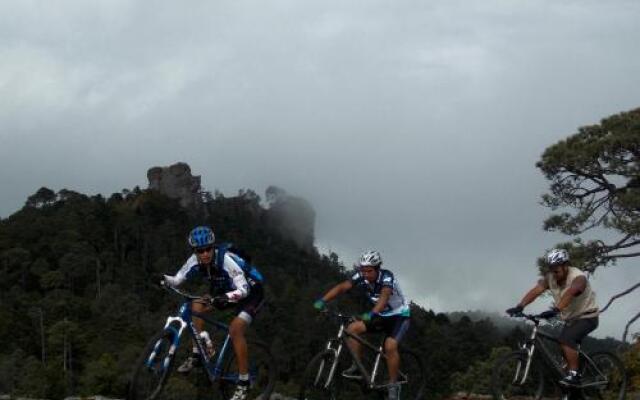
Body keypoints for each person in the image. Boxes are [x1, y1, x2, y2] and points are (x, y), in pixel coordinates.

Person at [163, 226, 265, 400]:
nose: (205, 254)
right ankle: (198, 352)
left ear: (213, 246)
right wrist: (163, 278)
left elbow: (244, 289)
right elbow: (178, 279)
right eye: (200, 251)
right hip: (225, 292)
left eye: (208, 249)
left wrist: (224, 297)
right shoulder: (194, 260)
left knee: (235, 330)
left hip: (251, 293)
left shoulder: (225, 260)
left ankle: (243, 381)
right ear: (195, 251)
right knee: (196, 305)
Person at [313, 250, 410, 400]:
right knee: (352, 329)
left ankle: (393, 387)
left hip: (399, 317)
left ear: (377, 269)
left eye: (369, 270)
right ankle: (357, 367)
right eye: (363, 270)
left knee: (390, 346)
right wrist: (323, 300)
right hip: (381, 316)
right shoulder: (361, 276)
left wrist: (371, 314)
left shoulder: (386, 277)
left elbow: (384, 298)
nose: (365, 274)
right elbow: (342, 287)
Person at [506, 248, 599, 387]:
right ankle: (572, 381)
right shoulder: (551, 277)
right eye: (551, 270)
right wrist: (520, 306)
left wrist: (556, 309)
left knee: (566, 339)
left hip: (587, 317)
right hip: (570, 319)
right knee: (561, 346)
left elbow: (571, 292)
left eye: (556, 271)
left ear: (565, 266)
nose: (554, 274)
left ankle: (575, 374)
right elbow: (536, 290)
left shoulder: (578, 277)